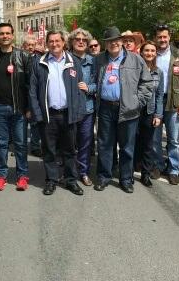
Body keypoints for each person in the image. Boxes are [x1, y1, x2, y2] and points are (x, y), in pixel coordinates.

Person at [94, 27, 152, 193]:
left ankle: (126, 179)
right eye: (109, 41)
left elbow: (147, 83)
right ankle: (104, 177)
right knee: (105, 145)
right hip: (105, 107)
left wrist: (137, 102)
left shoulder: (135, 59)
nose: (113, 43)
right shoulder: (99, 60)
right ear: (105, 44)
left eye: (116, 40)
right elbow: (92, 80)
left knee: (127, 146)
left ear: (121, 41)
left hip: (128, 109)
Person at [30, 30, 86, 196]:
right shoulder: (38, 63)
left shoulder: (74, 61)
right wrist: (38, 115)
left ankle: (71, 181)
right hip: (48, 115)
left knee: (69, 150)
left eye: (57, 41)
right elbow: (32, 91)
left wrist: (78, 112)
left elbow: (80, 89)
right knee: (49, 151)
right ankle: (51, 180)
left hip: (68, 114)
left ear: (63, 43)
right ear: (47, 44)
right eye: (51, 41)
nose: (54, 44)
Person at [0, 23, 31, 191]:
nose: (5, 36)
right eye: (1, 34)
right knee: (2, 144)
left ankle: (22, 175)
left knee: (20, 144)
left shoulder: (23, 56)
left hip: (18, 108)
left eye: (7, 33)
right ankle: (1, 175)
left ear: (13, 35)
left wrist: (29, 108)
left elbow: (29, 85)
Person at [153, 24, 179, 185]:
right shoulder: (150, 53)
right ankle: (158, 165)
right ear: (155, 38)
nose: (162, 39)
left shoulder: (178, 55)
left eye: (164, 36)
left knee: (173, 139)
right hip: (155, 102)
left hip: (173, 102)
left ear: (169, 37)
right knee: (155, 138)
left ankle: (174, 169)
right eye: (159, 37)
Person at [68, 28, 97, 186]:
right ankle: (69, 171)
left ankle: (83, 171)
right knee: (69, 143)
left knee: (85, 142)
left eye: (84, 40)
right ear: (72, 41)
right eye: (77, 39)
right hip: (69, 109)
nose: (80, 42)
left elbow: (100, 84)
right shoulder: (65, 60)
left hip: (87, 108)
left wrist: (89, 88)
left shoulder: (94, 61)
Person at [135, 41, 163, 188]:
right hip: (134, 111)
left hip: (149, 112)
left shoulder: (158, 72)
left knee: (148, 144)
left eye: (153, 51)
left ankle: (146, 174)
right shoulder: (134, 69)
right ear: (141, 52)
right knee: (133, 142)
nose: (149, 53)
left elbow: (159, 96)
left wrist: (158, 115)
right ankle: (131, 169)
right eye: (147, 50)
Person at [22, 35, 42, 156]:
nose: (30, 47)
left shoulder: (40, 59)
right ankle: (21, 147)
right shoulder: (18, 57)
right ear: (24, 46)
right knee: (21, 124)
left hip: (34, 95)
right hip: (22, 94)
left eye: (32, 45)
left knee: (34, 124)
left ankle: (35, 147)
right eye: (28, 45)